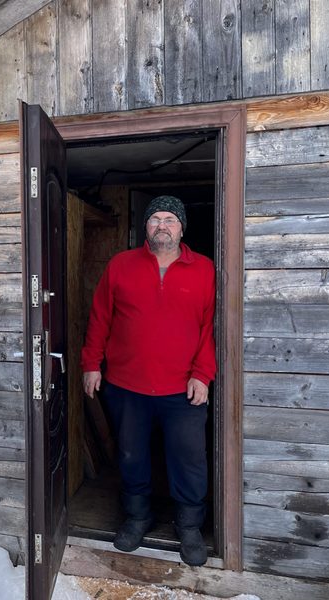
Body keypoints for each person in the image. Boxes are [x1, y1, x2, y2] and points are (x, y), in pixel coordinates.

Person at [81, 195, 216, 567]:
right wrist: (91, 364)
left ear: (182, 227)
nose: (162, 224)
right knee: (131, 454)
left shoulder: (205, 269)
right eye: (155, 218)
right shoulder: (121, 266)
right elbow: (100, 318)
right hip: (126, 385)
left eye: (170, 218)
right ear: (146, 227)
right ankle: (138, 516)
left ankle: (189, 525)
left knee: (188, 458)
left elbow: (210, 329)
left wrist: (202, 375)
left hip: (183, 388)